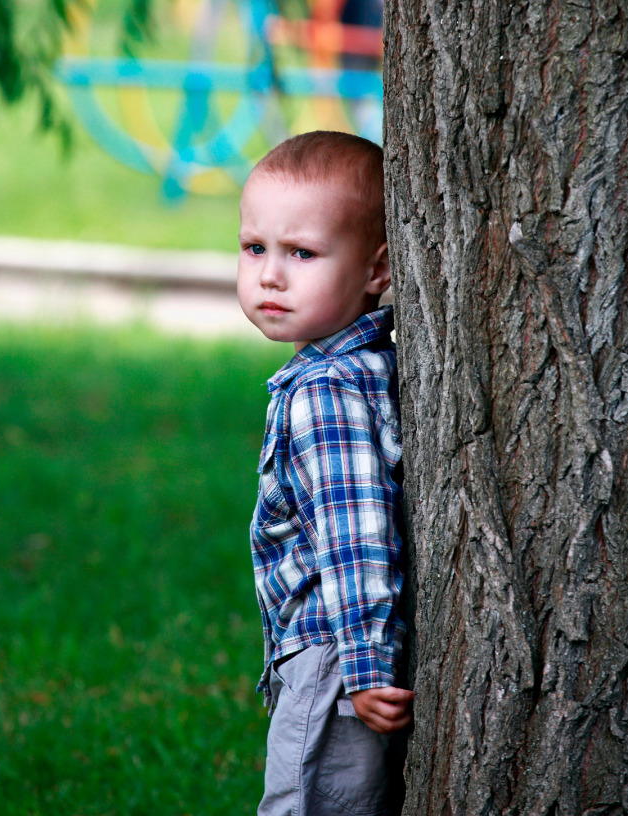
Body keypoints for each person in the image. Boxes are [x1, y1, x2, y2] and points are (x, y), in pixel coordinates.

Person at [237, 130, 414, 816]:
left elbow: (355, 534)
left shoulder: (325, 393)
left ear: (377, 271)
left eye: (301, 253)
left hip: (334, 659)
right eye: (255, 248)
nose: (270, 276)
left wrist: (366, 667)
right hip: (337, 656)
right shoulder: (355, 370)